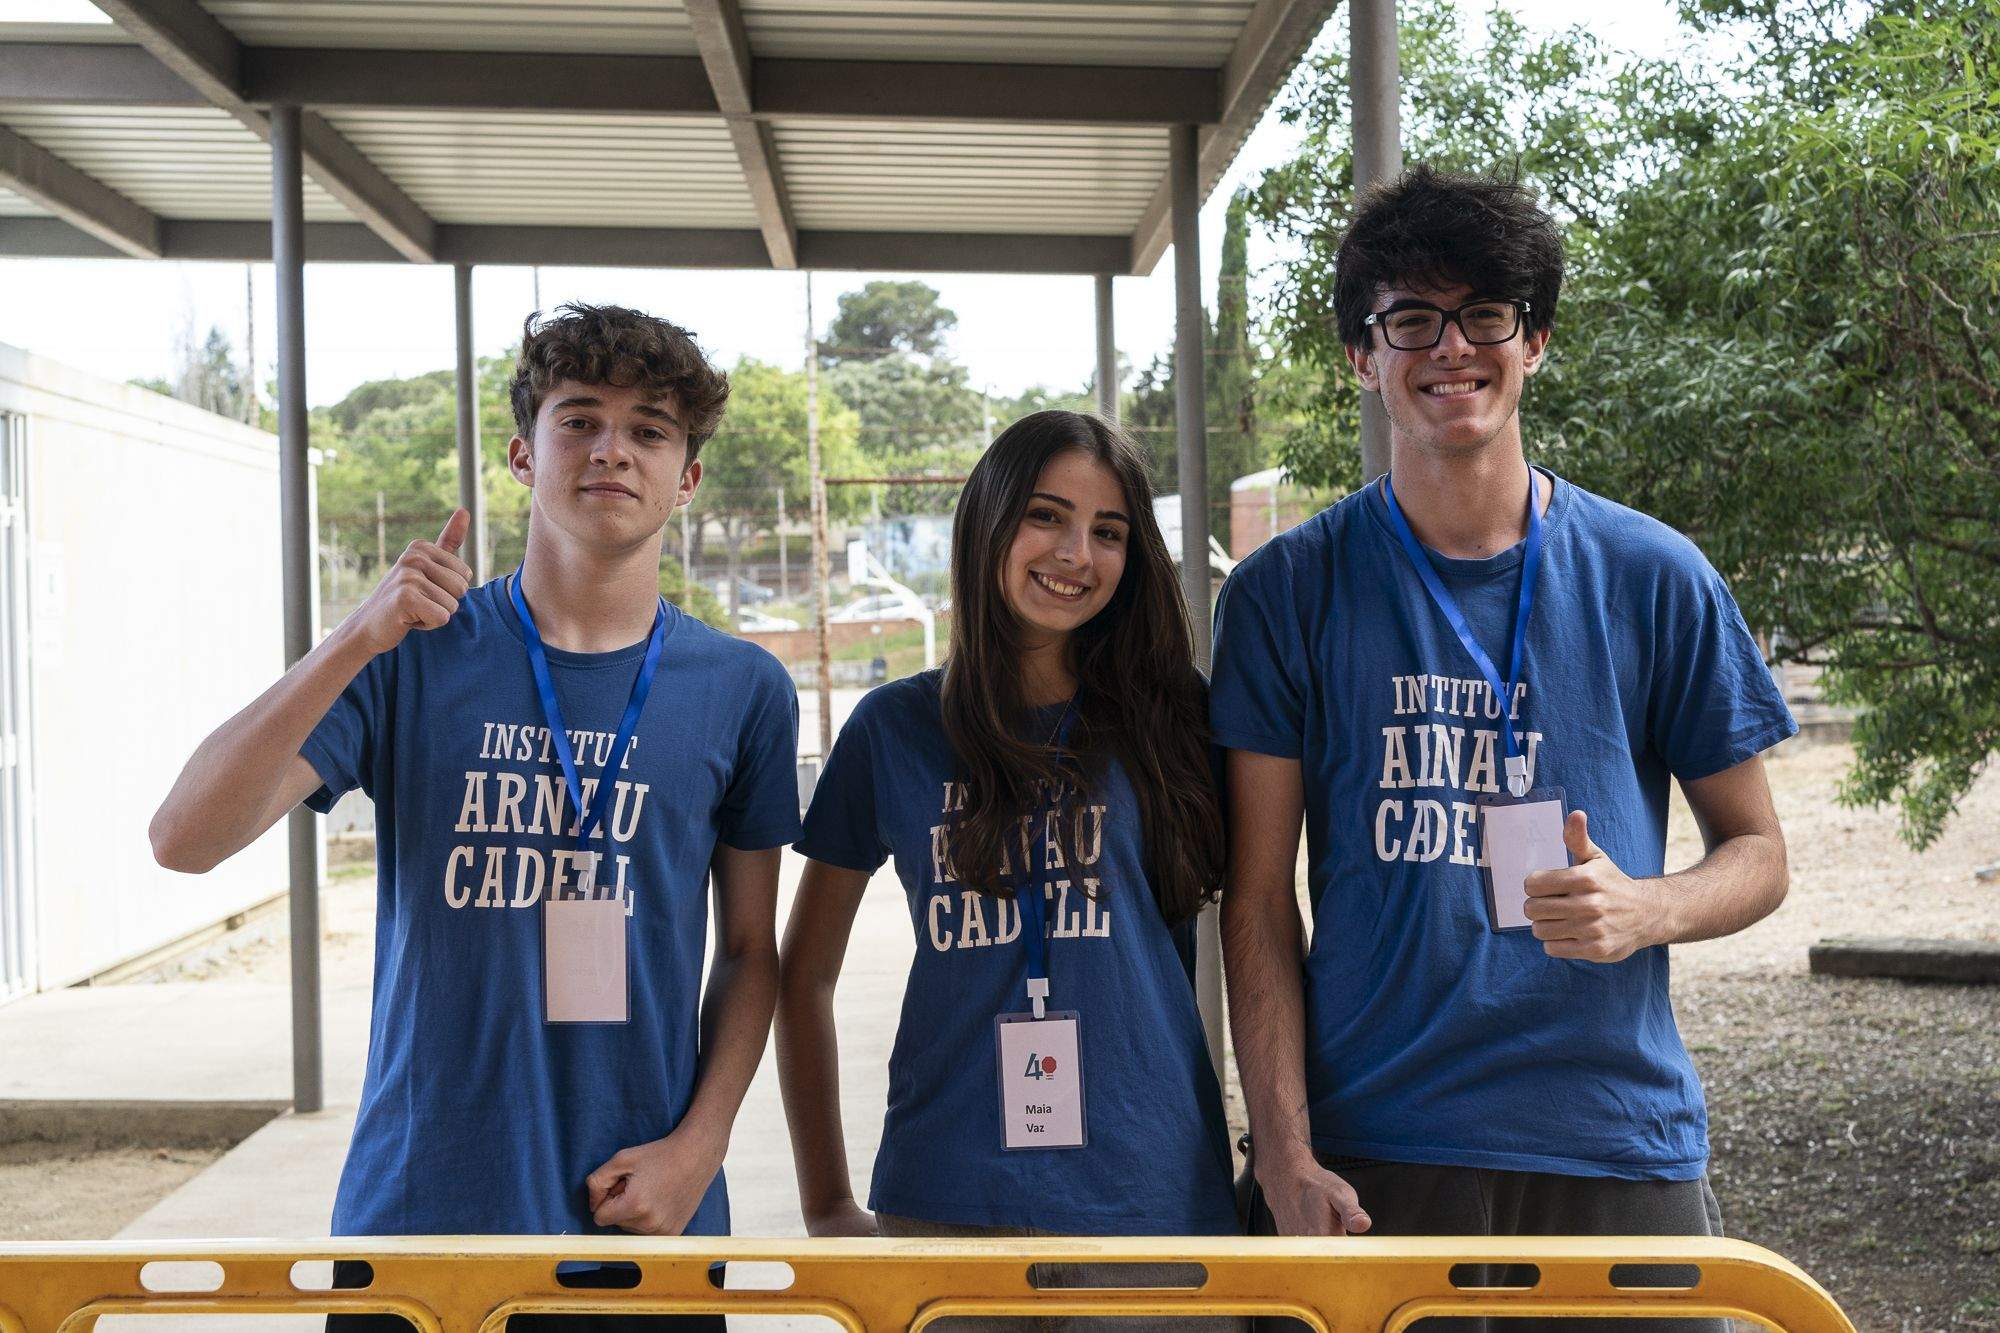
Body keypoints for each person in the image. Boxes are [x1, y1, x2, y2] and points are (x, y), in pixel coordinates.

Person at [1210, 167, 1796, 1332]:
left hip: (1612, 1140)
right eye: (1409, 320)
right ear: (1361, 358)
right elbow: (1256, 897)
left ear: (1533, 341)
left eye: (1485, 315)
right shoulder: (1287, 591)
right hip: (1376, 1151)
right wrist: (1278, 1148)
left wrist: (1649, 907)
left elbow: (1759, 851)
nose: (1450, 349)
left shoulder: (1651, 575)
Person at [150, 304, 802, 1332]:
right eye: (578, 420)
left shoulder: (743, 687)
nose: (610, 452)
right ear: (521, 454)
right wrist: (351, 641)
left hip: (638, 1210)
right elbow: (182, 839)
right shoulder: (410, 654)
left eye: (649, 430)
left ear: (687, 477)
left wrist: (702, 1143)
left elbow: (752, 952)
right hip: (424, 1209)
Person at [777, 410, 1244, 1331]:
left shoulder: (1176, 716)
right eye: (1047, 515)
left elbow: (1265, 924)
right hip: (948, 1206)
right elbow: (801, 975)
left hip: (1150, 1208)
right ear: (989, 519)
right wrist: (827, 1198)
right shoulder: (893, 729)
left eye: (1108, 531)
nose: (1077, 552)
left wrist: (1283, 1142)